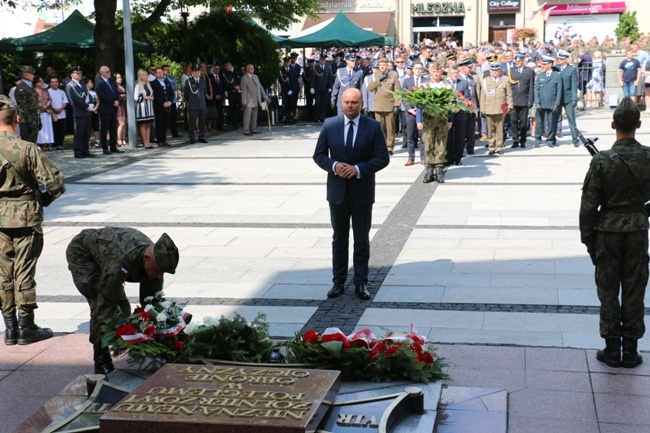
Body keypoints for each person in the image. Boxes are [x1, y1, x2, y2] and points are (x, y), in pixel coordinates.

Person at [579, 97, 649, 369]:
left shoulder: (602, 160)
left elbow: (588, 207)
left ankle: (611, 348)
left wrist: (589, 242)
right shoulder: (648, 156)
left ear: (612, 125)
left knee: (608, 291)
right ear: (638, 125)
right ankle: (631, 350)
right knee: (634, 288)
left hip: (607, 233)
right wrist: (642, 211)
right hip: (637, 232)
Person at [65, 227, 179, 374]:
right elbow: (105, 305)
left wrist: (159, 333)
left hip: (108, 254)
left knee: (125, 311)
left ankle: (150, 350)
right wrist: (103, 338)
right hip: (84, 256)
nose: (159, 274)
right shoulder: (120, 259)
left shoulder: (155, 261)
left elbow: (151, 302)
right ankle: (101, 358)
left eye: (163, 271)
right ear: (147, 258)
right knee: (108, 303)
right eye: (158, 269)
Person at [0, 95, 66, 346]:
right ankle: (26, 327)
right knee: (24, 270)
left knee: (4, 272)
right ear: (16, 119)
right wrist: (43, 200)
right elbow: (56, 184)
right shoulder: (27, 148)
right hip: (26, 216)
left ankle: (10, 329)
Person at [313, 88, 389, 301]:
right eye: (346, 102)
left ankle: (361, 282)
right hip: (337, 192)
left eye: (354, 102)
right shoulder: (330, 125)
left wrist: (358, 169)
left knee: (362, 239)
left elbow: (383, 158)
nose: (349, 106)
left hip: (362, 191)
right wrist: (335, 166)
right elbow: (318, 155)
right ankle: (338, 282)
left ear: (361, 103)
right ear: (341, 103)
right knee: (339, 238)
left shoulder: (373, 126)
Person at [417, 61, 453, 183]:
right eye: (434, 71)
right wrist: (418, 120)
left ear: (441, 71)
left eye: (438, 71)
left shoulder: (447, 86)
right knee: (428, 144)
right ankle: (429, 170)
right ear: (430, 72)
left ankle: (438, 169)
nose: (436, 73)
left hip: (442, 120)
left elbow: (451, 105)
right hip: (428, 120)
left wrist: (450, 120)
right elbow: (419, 104)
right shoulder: (425, 86)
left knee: (441, 144)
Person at [367, 57, 402, 155]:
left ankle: (390, 147)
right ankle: (381, 146)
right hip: (378, 104)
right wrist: (379, 80)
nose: (382, 67)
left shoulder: (393, 75)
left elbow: (397, 91)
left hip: (389, 104)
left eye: (384, 65)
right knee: (380, 127)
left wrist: (396, 104)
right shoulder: (375, 75)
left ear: (387, 65)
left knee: (390, 127)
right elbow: (369, 88)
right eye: (380, 65)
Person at [476, 62, 512, 156]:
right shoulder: (486, 80)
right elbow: (482, 96)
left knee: (499, 129)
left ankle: (499, 147)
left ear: (500, 70)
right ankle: (491, 147)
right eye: (493, 70)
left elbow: (509, 94)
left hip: (501, 108)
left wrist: (510, 106)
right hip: (489, 107)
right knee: (490, 129)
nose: (495, 72)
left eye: (496, 70)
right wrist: (482, 109)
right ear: (490, 71)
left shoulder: (505, 79)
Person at [402, 61, 428, 166]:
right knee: (411, 136)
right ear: (412, 69)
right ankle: (411, 157)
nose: (418, 70)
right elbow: (404, 97)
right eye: (416, 68)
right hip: (410, 113)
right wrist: (409, 109)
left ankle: (423, 157)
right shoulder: (407, 81)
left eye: (420, 68)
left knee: (423, 137)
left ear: (422, 70)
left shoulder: (426, 81)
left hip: (422, 113)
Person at [66, 66, 96, 159]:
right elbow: (75, 99)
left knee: (86, 132)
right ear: (72, 75)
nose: (79, 75)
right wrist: (87, 106)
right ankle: (77, 151)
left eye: (80, 74)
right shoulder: (70, 85)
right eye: (77, 73)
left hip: (86, 112)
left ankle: (85, 150)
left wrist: (91, 104)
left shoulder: (82, 84)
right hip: (79, 112)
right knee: (79, 133)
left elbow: (88, 94)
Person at [534, 57, 563, 147]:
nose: (544, 66)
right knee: (539, 124)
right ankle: (538, 140)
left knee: (551, 123)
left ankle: (550, 140)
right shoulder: (540, 75)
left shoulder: (557, 75)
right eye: (543, 64)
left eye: (546, 64)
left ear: (550, 64)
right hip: (541, 103)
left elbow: (559, 91)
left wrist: (557, 104)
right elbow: (537, 90)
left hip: (552, 103)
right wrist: (537, 102)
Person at [508, 54, 535, 148]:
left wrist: (530, 100)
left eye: (519, 61)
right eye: (516, 61)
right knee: (513, 121)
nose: (517, 63)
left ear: (524, 61)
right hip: (513, 100)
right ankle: (515, 140)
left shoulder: (529, 71)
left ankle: (523, 140)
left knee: (523, 122)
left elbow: (531, 86)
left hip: (524, 99)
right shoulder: (511, 71)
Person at [95, 65, 124, 155]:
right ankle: (105, 148)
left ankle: (113, 146)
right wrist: (112, 101)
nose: (109, 73)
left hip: (113, 108)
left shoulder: (111, 81)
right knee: (104, 128)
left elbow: (116, 92)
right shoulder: (99, 82)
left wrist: (118, 100)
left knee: (113, 128)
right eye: (107, 72)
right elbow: (102, 95)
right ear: (102, 73)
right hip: (105, 108)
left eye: (109, 71)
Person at [556, 50, 580, 146]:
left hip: (568, 97)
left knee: (571, 119)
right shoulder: (556, 68)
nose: (560, 61)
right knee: (554, 119)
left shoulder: (571, 69)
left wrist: (574, 98)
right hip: (557, 98)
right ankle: (552, 139)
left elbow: (574, 85)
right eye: (559, 59)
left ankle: (575, 139)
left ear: (566, 59)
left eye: (562, 59)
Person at [14, 65, 41, 144]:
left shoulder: (30, 87)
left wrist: (38, 119)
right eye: (32, 74)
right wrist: (28, 121)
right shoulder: (21, 88)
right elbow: (22, 107)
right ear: (26, 75)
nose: (33, 76)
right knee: (27, 144)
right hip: (27, 121)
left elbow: (36, 104)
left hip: (34, 119)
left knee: (33, 144)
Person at [241, 64, 269, 136]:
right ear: (247, 70)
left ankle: (253, 128)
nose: (252, 70)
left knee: (254, 115)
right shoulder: (244, 78)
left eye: (253, 68)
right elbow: (243, 90)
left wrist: (264, 95)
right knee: (247, 116)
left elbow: (260, 86)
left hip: (256, 99)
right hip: (248, 100)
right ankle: (246, 130)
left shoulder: (255, 76)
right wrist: (243, 101)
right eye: (251, 69)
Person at [183, 63, 208, 144]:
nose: (197, 73)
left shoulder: (203, 81)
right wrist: (191, 101)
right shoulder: (189, 81)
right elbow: (186, 94)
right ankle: (192, 138)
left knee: (202, 122)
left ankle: (202, 137)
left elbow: (204, 92)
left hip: (202, 104)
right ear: (192, 72)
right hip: (193, 105)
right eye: (195, 71)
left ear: (200, 72)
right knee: (192, 122)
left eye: (198, 71)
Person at [150, 67, 173, 148]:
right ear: (155, 74)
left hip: (167, 106)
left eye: (161, 72)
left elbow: (171, 93)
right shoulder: (153, 83)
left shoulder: (167, 82)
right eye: (158, 72)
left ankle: (164, 140)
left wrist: (170, 102)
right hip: (159, 106)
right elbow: (155, 95)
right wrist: (162, 103)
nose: (160, 73)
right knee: (159, 123)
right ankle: (160, 141)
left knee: (165, 124)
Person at [134, 69, 155, 149]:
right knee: (143, 125)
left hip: (149, 107)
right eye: (143, 75)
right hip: (142, 107)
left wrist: (152, 97)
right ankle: (145, 142)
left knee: (148, 125)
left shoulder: (148, 85)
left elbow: (152, 93)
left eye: (146, 75)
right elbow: (135, 97)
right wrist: (145, 97)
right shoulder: (138, 85)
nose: (145, 76)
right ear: (140, 76)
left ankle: (148, 141)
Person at [33, 75, 54, 152]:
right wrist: (42, 107)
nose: (42, 83)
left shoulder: (45, 90)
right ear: (36, 83)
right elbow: (35, 102)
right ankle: (42, 143)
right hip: (40, 112)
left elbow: (49, 99)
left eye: (42, 81)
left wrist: (47, 105)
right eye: (40, 81)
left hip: (47, 111)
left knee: (48, 128)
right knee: (42, 129)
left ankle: (49, 143)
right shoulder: (33, 91)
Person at [47, 76, 68, 151]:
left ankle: (60, 144)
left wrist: (61, 108)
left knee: (61, 130)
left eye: (56, 82)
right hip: (53, 114)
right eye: (53, 82)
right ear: (50, 83)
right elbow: (48, 102)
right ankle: (54, 144)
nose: (55, 84)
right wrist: (54, 109)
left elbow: (65, 102)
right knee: (54, 130)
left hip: (61, 114)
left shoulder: (61, 92)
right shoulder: (48, 92)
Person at [114, 73, 127, 146]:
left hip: (125, 105)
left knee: (125, 124)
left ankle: (124, 139)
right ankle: (119, 140)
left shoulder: (124, 86)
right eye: (118, 77)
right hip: (119, 106)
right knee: (121, 123)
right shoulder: (115, 87)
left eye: (120, 77)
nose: (120, 79)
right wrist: (122, 96)